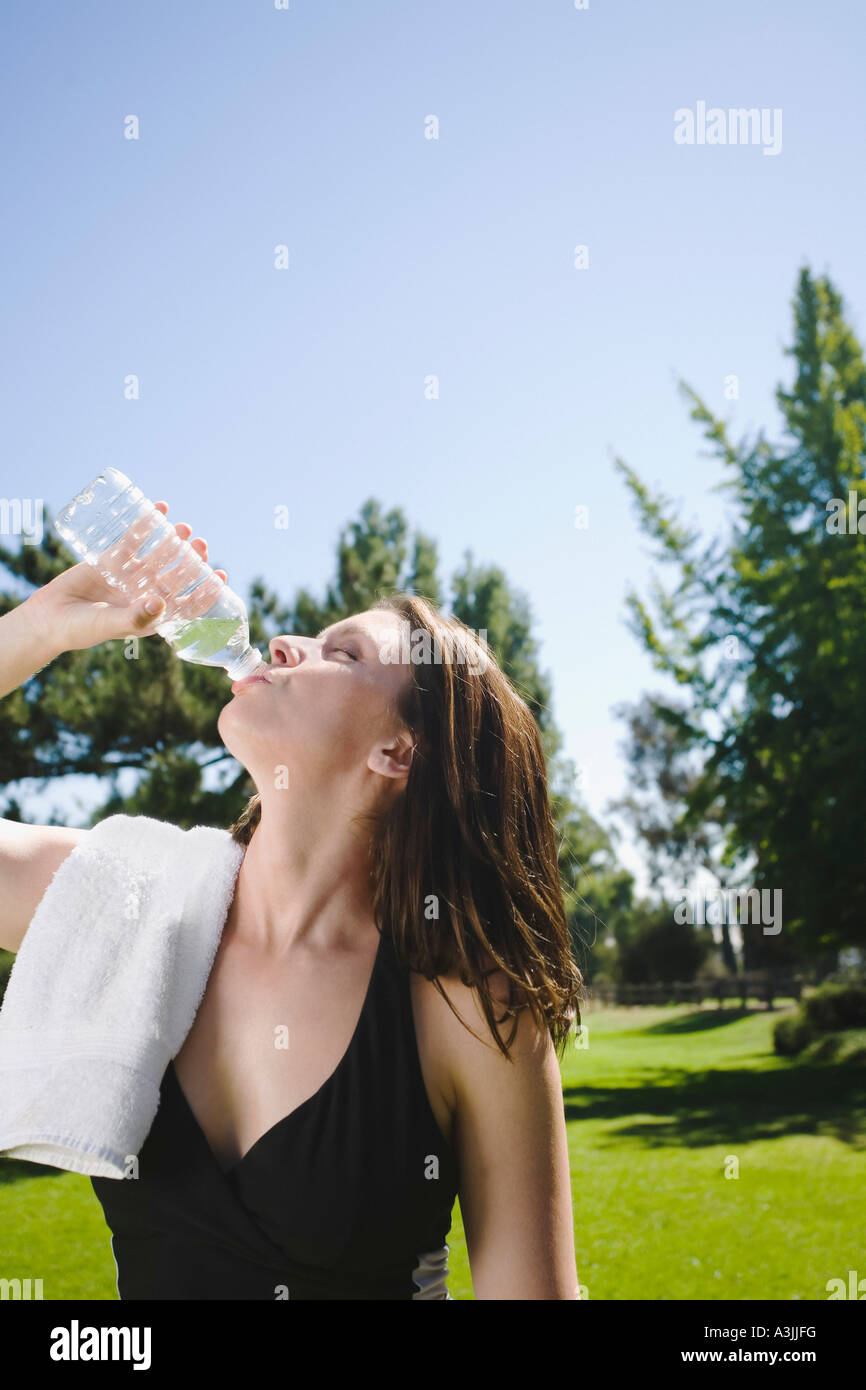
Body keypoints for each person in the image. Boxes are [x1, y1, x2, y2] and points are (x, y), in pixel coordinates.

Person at [0, 501, 583, 1300]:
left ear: (397, 752)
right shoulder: (129, 898)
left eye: (338, 654)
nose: (282, 645)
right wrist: (32, 632)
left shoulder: (469, 1006)